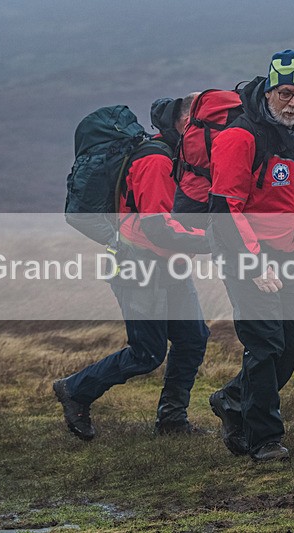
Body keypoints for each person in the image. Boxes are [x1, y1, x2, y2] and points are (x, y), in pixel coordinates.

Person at [208, 50, 294, 461]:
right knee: (265, 342)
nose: (293, 103)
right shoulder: (241, 136)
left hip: (291, 251)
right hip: (244, 248)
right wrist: (253, 262)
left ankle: (234, 400)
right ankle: (264, 437)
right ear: (269, 91)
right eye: (285, 94)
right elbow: (225, 208)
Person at [53, 96, 211, 439]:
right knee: (147, 352)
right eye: (206, 126)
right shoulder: (156, 160)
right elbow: (157, 227)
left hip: (169, 264)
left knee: (193, 338)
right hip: (139, 265)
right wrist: (213, 242)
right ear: (187, 125)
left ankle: (172, 421)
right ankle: (75, 389)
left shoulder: (176, 156)